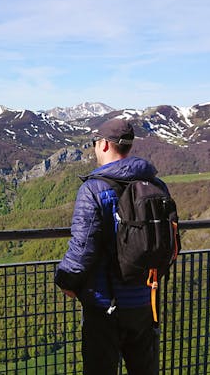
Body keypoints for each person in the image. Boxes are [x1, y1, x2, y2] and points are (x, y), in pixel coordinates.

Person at [55, 118, 163, 375]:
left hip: (105, 304)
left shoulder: (94, 189)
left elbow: (83, 248)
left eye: (95, 143)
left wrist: (65, 281)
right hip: (146, 300)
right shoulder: (156, 185)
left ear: (103, 144)